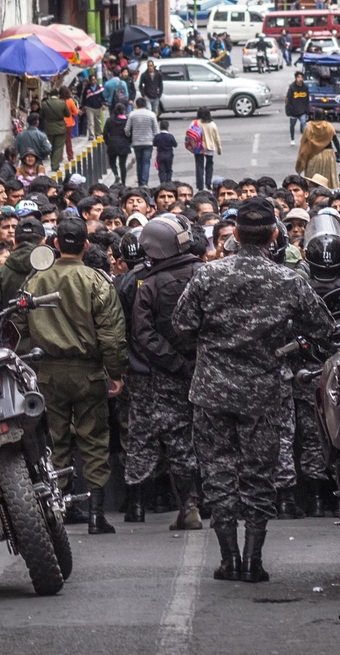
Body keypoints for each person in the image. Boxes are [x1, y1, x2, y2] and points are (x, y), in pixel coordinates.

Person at [174, 199, 335, 582]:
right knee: (259, 475)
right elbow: (323, 329)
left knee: (217, 474)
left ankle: (228, 558)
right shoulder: (289, 280)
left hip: (212, 391)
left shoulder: (207, 276)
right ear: (274, 236)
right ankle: (253, 560)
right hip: (263, 393)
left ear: (235, 236)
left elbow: (181, 325)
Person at [26, 212, 129, 533]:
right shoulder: (96, 280)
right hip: (88, 372)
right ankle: (96, 514)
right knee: (95, 440)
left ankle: (61, 506)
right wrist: (116, 372)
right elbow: (111, 334)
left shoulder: (35, 280)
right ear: (86, 245)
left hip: (48, 373)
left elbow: (16, 328)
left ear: (55, 244)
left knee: (56, 440)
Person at [126, 216, 206, 531]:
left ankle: (189, 506)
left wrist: (176, 364)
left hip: (170, 376)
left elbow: (144, 336)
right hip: (213, 371)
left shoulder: (149, 285)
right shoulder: (207, 274)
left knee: (178, 441)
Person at [295, 118, 338, 187]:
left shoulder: (309, 127)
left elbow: (304, 143)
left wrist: (301, 160)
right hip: (328, 155)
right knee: (328, 178)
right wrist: (339, 152)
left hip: (313, 155)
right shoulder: (329, 126)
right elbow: (335, 140)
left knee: (312, 178)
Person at [128, 98, 161, 188]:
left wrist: (129, 136)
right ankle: (144, 182)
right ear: (146, 104)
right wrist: (156, 140)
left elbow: (127, 129)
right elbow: (156, 130)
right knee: (146, 162)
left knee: (139, 162)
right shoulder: (151, 115)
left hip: (136, 142)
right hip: (148, 142)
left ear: (137, 105)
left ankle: (140, 182)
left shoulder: (132, 115)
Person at [186, 109, 219, 191]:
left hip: (198, 147)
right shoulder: (212, 124)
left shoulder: (194, 123)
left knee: (199, 166)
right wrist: (219, 148)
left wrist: (189, 146)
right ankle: (208, 183)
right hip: (210, 147)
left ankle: (200, 186)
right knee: (209, 165)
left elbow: (189, 134)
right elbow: (216, 138)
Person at [104, 102, 133, 184]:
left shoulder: (109, 120)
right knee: (122, 164)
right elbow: (130, 132)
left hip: (112, 143)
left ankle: (116, 174)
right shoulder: (126, 121)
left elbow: (105, 133)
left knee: (112, 162)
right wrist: (129, 142)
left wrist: (107, 142)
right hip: (124, 143)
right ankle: (123, 182)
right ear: (124, 111)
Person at [153, 119, 180, 188]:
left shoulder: (157, 136)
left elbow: (154, 143)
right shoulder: (170, 136)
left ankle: (162, 183)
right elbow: (175, 144)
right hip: (169, 155)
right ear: (168, 127)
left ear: (160, 127)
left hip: (160, 154)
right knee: (169, 169)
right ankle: (168, 182)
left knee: (161, 170)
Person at [284, 73, 311, 141]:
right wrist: (288, 109)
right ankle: (292, 139)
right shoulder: (292, 87)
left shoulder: (305, 87)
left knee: (303, 123)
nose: (300, 79)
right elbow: (287, 99)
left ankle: (305, 139)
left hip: (302, 110)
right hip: (293, 110)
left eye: (301, 77)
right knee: (292, 125)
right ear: (296, 78)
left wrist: (307, 110)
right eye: (298, 77)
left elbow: (307, 100)